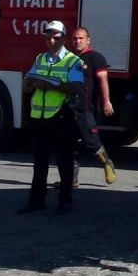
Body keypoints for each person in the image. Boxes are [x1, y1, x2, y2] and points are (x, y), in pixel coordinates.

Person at [18, 20, 84, 214]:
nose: (51, 40)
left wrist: (50, 86)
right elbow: (28, 81)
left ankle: (65, 201)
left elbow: (75, 87)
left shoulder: (73, 61)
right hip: (39, 116)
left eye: (55, 36)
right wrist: (28, 85)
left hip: (61, 116)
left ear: (64, 38)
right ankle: (36, 201)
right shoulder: (40, 59)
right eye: (48, 36)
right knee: (39, 162)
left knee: (64, 161)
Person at [69, 26, 117, 185]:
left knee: (92, 142)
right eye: (75, 38)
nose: (77, 41)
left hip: (86, 108)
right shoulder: (68, 58)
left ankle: (107, 163)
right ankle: (71, 179)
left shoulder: (95, 57)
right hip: (69, 109)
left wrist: (106, 101)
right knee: (69, 145)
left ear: (88, 40)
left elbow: (103, 80)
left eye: (81, 38)